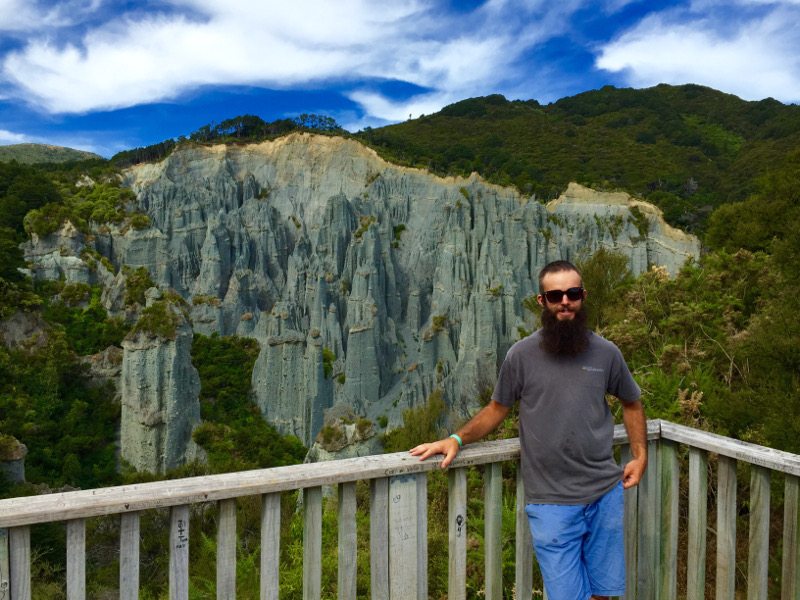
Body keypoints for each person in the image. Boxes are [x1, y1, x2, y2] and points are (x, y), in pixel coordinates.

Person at [410, 259, 647, 600]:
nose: (565, 301)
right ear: (542, 302)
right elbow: (496, 409)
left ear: (583, 296)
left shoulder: (607, 353)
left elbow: (632, 402)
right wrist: (456, 439)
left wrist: (640, 456)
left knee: (602, 594)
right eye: (555, 295)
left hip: (604, 493)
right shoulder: (521, 356)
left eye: (573, 293)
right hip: (551, 502)